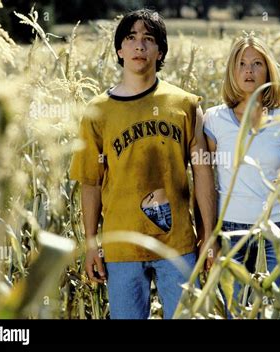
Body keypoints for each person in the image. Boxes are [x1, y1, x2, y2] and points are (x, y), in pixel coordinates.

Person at [69, 9, 216, 319]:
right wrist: (92, 244)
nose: (139, 46)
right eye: (131, 38)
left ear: (159, 51)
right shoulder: (97, 111)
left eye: (148, 39)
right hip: (122, 246)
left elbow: (203, 174)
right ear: (119, 50)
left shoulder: (186, 104)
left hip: (177, 245)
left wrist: (208, 236)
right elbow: (91, 183)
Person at [203, 34, 280, 312]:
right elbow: (204, 182)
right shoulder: (214, 119)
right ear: (232, 72)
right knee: (235, 311)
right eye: (242, 64)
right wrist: (208, 236)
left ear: (268, 70)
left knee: (274, 311)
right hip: (230, 235)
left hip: (275, 232)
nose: (249, 70)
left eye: (257, 63)